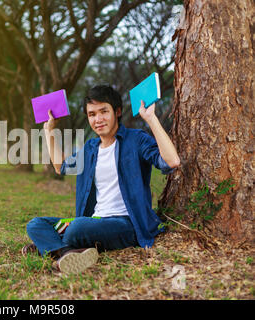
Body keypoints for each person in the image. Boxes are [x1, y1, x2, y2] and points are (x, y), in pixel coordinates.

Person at [22, 84, 180, 274]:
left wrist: (151, 118)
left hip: (127, 224)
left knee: (76, 228)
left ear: (118, 112)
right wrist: (49, 131)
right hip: (95, 221)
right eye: (92, 114)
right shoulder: (91, 148)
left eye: (104, 111)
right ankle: (65, 253)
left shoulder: (136, 139)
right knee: (36, 224)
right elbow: (60, 166)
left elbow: (171, 161)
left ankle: (50, 248)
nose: (98, 119)